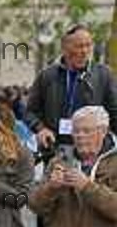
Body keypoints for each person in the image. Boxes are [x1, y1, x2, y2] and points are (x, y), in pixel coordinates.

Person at [26, 24, 117, 153]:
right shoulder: (47, 75)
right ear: (65, 48)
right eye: (79, 46)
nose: (85, 51)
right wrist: (40, 129)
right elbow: (30, 112)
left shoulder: (103, 75)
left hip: (92, 151)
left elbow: (114, 113)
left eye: (88, 45)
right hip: (55, 148)